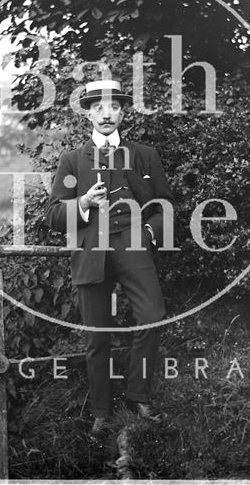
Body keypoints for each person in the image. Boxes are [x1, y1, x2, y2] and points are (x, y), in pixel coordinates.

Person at [46, 79, 174, 438]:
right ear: (88, 112)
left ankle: (138, 397)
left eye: (114, 107)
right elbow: (53, 215)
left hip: (134, 247)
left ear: (122, 112)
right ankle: (102, 413)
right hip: (92, 252)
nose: (106, 113)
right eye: (99, 107)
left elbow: (164, 205)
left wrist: (149, 234)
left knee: (152, 316)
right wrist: (83, 204)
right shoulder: (72, 160)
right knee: (96, 338)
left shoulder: (145, 154)